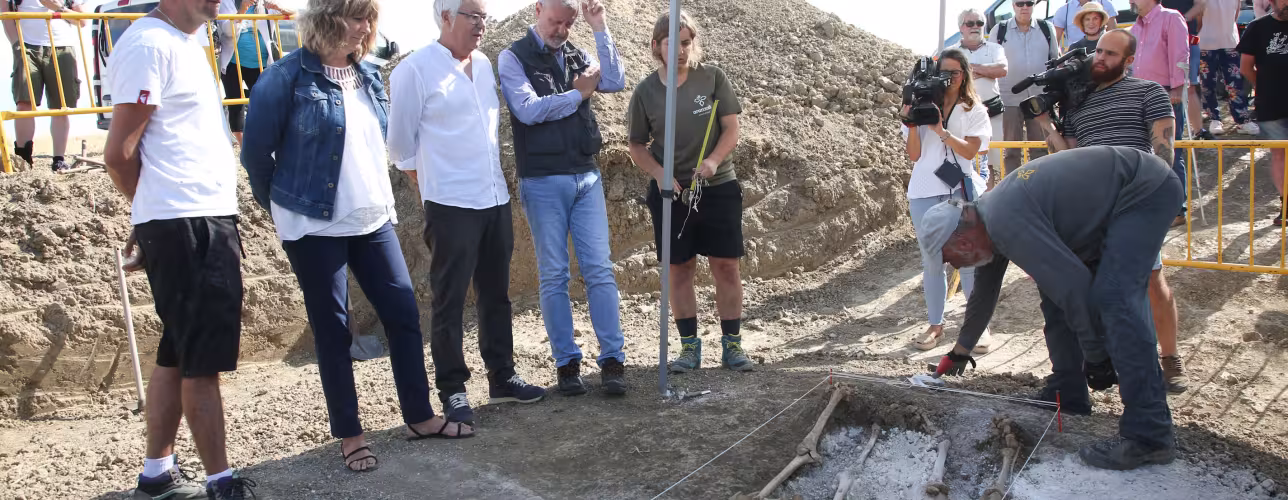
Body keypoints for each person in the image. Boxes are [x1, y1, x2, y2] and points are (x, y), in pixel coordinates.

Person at [241, 0, 474, 474]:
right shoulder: (285, 78)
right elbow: (255, 157)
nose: (364, 27)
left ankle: (419, 416)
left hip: (372, 218)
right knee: (334, 331)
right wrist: (287, 208)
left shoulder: (368, 74)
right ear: (326, 19)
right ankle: (350, 434)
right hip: (313, 224)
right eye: (354, 17)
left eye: (369, 18)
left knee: (404, 314)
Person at [922, 145, 1181, 470]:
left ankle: (1150, 433)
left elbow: (1075, 287)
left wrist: (1097, 356)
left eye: (949, 261)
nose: (954, 267)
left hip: (1141, 190)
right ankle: (1068, 392)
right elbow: (984, 296)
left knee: (1115, 297)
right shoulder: (985, 221)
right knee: (1053, 297)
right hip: (1111, 202)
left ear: (963, 243)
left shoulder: (1004, 220)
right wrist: (960, 352)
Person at [103, 0, 255, 497]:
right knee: (200, 361)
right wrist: (153, 215)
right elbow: (119, 154)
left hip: (194, 217)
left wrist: (153, 216)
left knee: (178, 351)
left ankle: (156, 475)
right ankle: (221, 483)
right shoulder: (149, 43)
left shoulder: (186, 41)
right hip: (185, 221)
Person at [388, 0, 547, 425]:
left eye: (484, 16)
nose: (481, 24)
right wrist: (436, 186)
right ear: (445, 18)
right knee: (450, 300)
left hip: (493, 197)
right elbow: (401, 148)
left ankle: (502, 377)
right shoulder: (414, 70)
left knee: (496, 293)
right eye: (473, 16)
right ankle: (454, 390)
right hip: (450, 204)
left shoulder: (484, 64)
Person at [1034, 29, 1188, 393]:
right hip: (1090, 209)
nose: (1100, 58)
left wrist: (1154, 203)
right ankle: (1109, 361)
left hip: (1136, 203)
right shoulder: (1078, 104)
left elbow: (1164, 150)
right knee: (1096, 286)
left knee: (1150, 281)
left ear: (1129, 60)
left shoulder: (1148, 92)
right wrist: (1045, 122)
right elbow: (1065, 157)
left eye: (1110, 54)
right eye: (1098, 51)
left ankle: (1169, 359)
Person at [498, 0, 628, 397]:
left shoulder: (578, 52)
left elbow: (614, 81)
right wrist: (576, 95)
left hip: (586, 176)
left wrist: (599, 27)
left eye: (568, 23)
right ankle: (566, 364)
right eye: (555, 21)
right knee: (554, 273)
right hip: (542, 181)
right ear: (537, 9)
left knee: (600, 270)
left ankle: (612, 361)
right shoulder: (511, 57)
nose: (560, 29)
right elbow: (527, 111)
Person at [627, 10, 751, 373]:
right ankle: (689, 349)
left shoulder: (713, 78)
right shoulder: (645, 92)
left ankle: (732, 346)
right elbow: (636, 145)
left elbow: (731, 129)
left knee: (726, 267)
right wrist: (661, 174)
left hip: (718, 186)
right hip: (671, 194)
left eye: (686, 42)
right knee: (679, 270)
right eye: (672, 44)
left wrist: (712, 161)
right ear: (656, 46)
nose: (681, 51)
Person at [901, 49, 993, 354]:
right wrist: (913, 119)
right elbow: (914, 154)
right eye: (944, 72)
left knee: (967, 260)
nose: (949, 78)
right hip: (924, 189)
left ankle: (977, 328)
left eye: (954, 72)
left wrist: (942, 132)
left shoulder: (974, 110)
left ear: (964, 75)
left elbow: (970, 153)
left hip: (958, 190)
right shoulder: (924, 102)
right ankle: (935, 325)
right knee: (931, 261)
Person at [1, 0, 85, 171]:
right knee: (25, 103)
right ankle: (23, 159)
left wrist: (57, 7)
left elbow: (82, 21)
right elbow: (5, 11)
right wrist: (17, 45)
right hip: (27, 47)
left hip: (63, 48)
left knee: (61, 106)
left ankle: (59, 160)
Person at [1131, 0, 1192, 227]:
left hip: (1167, 96)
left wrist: (1177, 88)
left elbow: (1180, 54)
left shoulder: (1171, 17)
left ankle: (1177, 209)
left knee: (1168, 152)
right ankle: (1154, 203)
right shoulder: (1134, 28)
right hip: (1139, 96)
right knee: (1146, 152)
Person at [991, 0, 1059, 175]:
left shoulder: (1046, 28)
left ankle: (1038, 188)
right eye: (1020, 3)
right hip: (1009, 100)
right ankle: (1012, 192)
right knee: (1011, 151)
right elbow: (991, 63)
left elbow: (1055, 62)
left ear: (1034, 6)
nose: (1024, 7)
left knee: (1040, 150)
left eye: (1028, 3)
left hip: (1040, 100)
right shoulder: (999, 30)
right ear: (1013, 5)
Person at [1238, 0, 1288, 226]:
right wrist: (1264, 87)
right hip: (1271, 104)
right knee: (1279, 154)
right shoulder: (1257, 28)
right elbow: (1246, 66)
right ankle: (1286, 203)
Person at [947, 8, 1007, 187]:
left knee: (986, 166)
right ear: (961, 28)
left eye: (979, 23)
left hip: (991, 114)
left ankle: (986, 210)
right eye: (970, 23)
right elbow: (947, 77)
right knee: (957, 160)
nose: (976, 27)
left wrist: (970, 69)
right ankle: (961, 209)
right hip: (960, 115)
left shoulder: (996, 48)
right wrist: (986, 70)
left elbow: (1002, 70)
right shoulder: (950, 52)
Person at [218, 0, 291, 144]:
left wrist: (279, 8)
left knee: (267, 104)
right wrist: (242, 10)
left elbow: (295, 14)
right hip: (233, 62)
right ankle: (244, 147)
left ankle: (266, 143)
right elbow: (227, 30)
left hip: (261, 63)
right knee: (236, 106)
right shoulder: (228, 2)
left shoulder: (266, 3)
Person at [1197, 0, 1258, 136]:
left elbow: (1235, 16)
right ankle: (1214, 117)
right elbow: (1198, 18)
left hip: (1230, 42)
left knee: (1235, 83)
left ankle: (1242, 119)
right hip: (1206, 43)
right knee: (1207, 84)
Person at [1161, 0, 1206, 138]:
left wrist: (1181, 19)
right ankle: (1168, 134)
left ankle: (1199, 131)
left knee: (1190, 87)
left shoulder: (1178, 19)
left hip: (1188, 39)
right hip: (1162, 40)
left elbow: (1200, 4)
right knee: (1162, 88)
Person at [1054, 0, 1118, 48]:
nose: (1091, 22)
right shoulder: (1063, 10)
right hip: (1074, 57)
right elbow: (1055, 43)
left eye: (1095, 18)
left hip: (1104, 51)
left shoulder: (1106, 4)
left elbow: (1113, 36)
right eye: (1087, 19)